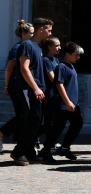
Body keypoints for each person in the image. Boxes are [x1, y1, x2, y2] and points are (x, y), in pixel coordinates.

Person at [9, 17, 53, 166]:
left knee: (36, 120)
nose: (50, 33)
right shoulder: (27, 45)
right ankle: (18, 152)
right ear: (41, 29)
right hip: (28, 89)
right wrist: (35, 88)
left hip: (37, 89)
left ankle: (29, 152)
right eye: (49, 30)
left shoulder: (37, 47)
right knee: (32, 119)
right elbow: (24, 68)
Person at [41, 42, 84, 161]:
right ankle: (46, 150)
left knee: (77, 123)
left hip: (72, 103)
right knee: (58, 128)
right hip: (63, 104)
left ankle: (64, 147)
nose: (78, 57)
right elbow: (59, 84)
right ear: (68, 54)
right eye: (76, 55)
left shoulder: (71, 66)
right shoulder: (61, 67)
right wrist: (67, 102)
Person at [0, 20, 35, 153]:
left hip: (21, 85)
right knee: (22, 115)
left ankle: (21, 140)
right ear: (24, 34)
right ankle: (1, 133)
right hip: (17, 85)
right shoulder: (18, 48)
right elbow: (9, 68)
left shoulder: (28, 46)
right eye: (31, 33)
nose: (33, 35)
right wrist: (7, 84)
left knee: (24, 115)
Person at [39, 36, 61, 155]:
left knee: (54, 119)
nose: (59, 48)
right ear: (49, 47)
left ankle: (50, 141)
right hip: (49, 94)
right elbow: (52, 77)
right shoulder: (46, 60)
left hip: (55, 94)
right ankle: (48, 142)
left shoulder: (56, 60)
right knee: (50, 120)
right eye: (56, 45)